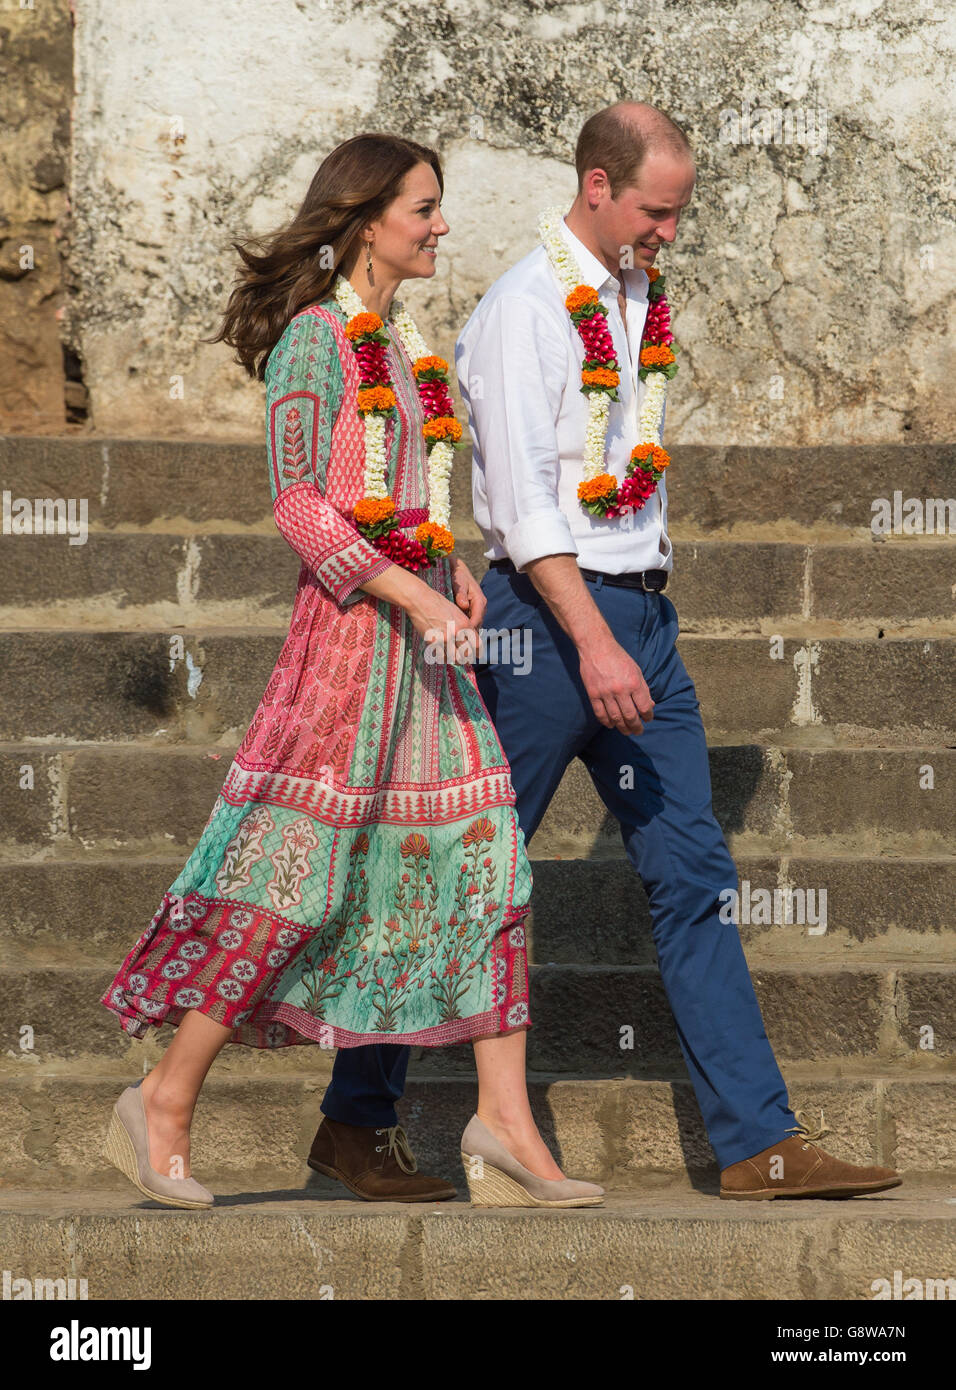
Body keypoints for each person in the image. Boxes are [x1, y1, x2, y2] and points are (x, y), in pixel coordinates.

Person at [325, 104, 903, 1202]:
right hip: (546, 629)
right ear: (595, 185)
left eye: (676, 214)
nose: (666, 233)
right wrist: (590, 642)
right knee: (462, 872)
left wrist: (633, 626)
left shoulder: (635, 296)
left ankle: (753, 1141)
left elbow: (621, 461)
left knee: (694, 875)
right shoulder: (523, 306)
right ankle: (353, 1120)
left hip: (643, 617)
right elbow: (523, 505)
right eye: (653, 211)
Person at [99, 132, 603, 1211]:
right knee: (293, 882)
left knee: (488, 867)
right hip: (344, 657)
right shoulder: (314, 343)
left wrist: (449, 569)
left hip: (424, 658)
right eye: (423, 208)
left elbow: (398, 492)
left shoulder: (401, 340)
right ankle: (165, 1099)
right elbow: (296, 503)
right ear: (365, 217)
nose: (439, 225)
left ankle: (504, 1125)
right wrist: (410, 589)